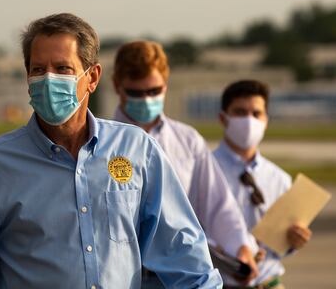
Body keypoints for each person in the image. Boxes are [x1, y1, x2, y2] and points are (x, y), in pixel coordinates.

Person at [0, 13, 222, 288]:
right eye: (38, 70)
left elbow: (184, 255)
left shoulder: (137, 149)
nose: (48, 81)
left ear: (93, 77)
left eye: (63, 69)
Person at [111, 41, 259, 286]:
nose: (147, 99)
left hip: (177, 276)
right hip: (121, 276)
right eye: (136, 92)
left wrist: (241, 246)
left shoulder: (187, 140)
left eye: (154, 91)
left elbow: (218, 204)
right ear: (118, 86)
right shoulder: (101, 140)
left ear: (166, 85)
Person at [213, 79, 312, 289]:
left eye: (256, 114)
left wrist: (295, 240)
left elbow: (281, 246)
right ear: (223, 118)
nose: (249, 120)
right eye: (240, 112)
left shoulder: (279, 178)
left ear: (266, 120)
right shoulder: (204, 171)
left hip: (268, 283)